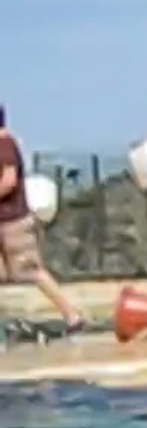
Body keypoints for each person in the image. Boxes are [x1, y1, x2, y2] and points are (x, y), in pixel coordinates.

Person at [0, 106, 85, 330]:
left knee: (31, 270)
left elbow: (8, 181)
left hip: (13, 221)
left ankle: (72, 315)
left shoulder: (5, 145)